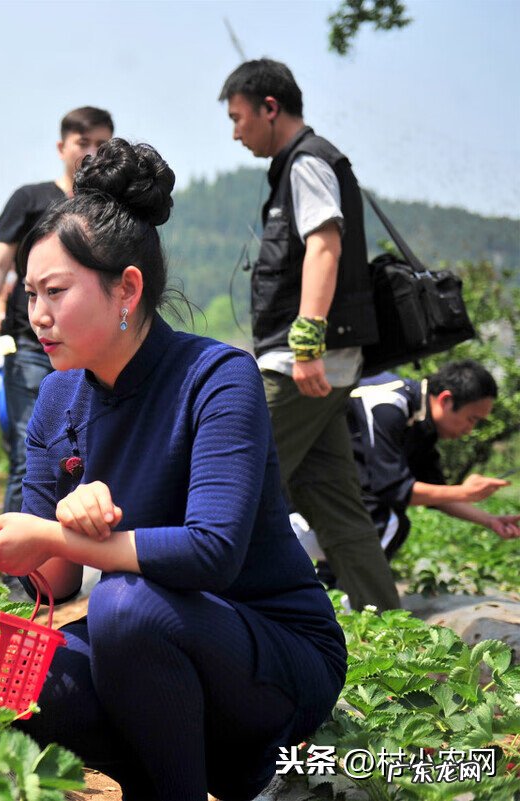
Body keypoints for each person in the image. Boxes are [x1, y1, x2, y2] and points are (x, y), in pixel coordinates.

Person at [0, 139, 345, 800]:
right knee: (17, 671)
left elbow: (211, 553)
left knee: (122, 605)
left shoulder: (217, 378)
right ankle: (190, 778)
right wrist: (47, 534)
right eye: (29, 294)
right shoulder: (57, 397)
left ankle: (230, 767)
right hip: (152, 646)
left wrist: (58, 534)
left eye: (55, 291)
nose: (38, 317)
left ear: (127, 288)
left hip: (271, 650)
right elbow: (54, 582)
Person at [219, 58, 397, 611]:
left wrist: (306, 344)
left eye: (238, 117)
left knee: (230, 477)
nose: (236, 132)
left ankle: (214, 609)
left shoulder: (307, 162)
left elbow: (324, 247)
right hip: (317, 362)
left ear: (270, 108)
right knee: (336, 503)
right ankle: (393, 623)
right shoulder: (298, 164)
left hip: (302, 364)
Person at [0, 107, 113, 513]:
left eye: (102, 144)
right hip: (33, 344)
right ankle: (20, 552)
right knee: (32, 457)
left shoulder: (109, 208)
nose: (91, 152)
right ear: (62, 147)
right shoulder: (30, 200)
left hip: (96, 350)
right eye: (83, 143)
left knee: (92, 456)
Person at [328, 360, 516, 563]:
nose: (470, 430)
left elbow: (436, 492)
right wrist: (465, 492)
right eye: (472, 419)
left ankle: (333, 577)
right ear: (446, 400)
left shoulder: (423, 424)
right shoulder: (388, 404)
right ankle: (342, 581)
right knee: (386, 519)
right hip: (308, 486)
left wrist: (490, 520)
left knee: (388, 520)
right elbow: (392, 489)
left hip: (331, 494)